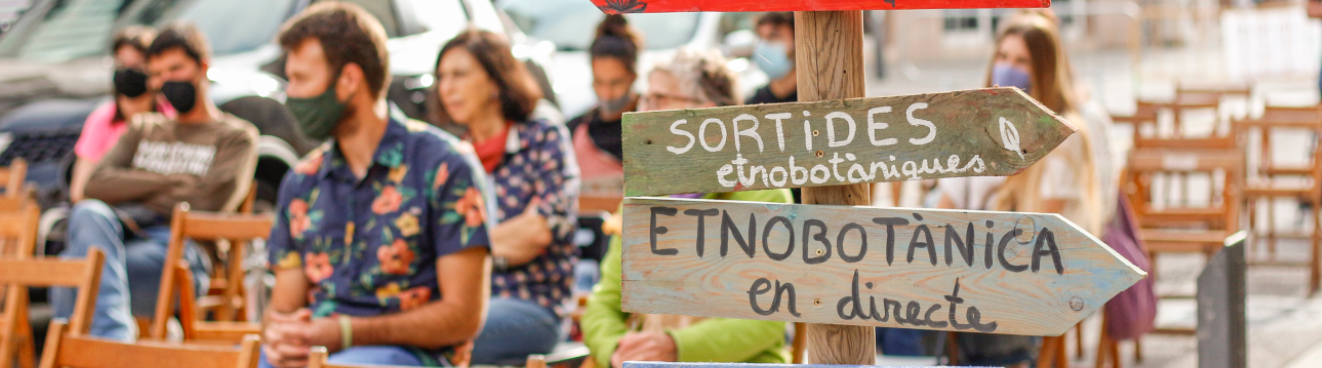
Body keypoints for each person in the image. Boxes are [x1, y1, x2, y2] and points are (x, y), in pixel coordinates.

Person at [260, 3, 494, 367]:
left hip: (412, 356)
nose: (291, 94)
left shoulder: (445, 167)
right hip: (318, 353)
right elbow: (283, 310)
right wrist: (278, 338)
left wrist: (349, 334)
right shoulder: (301, 182)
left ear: (350, 80)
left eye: (302, 79)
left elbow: (464, 316)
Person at [582, 49, 792, 368]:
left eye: (658, 99)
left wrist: (675, 348)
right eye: (645, 99)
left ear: (706, 111)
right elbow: (604, 302)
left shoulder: (761, 195)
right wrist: (615, 349)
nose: (644, 111)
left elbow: (766, 320)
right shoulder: (642, 196)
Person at [51, 22, 259, 341]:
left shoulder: (235, 137)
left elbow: (207, 202)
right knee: (89, 212)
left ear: (202, 67)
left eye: (175, 69)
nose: (165, 81)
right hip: (125, 237)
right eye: (157, 74)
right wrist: (173, 182)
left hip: (183, 255)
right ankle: (114, 343)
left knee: (74, 270)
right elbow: (95, 185)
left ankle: (101, 352)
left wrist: (133, 188)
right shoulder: (143, 128)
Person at [937, 11, 1102, 368]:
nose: (1008, 67)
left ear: (1043, 69)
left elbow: (1037, 235)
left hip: (1026, 280)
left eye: (1021, 61)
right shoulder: (975, 124)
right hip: (968, 270)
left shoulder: (1064, 135)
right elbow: (944, 208)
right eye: (1003, 56)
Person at [434, 28, 580, 364]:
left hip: (533, 307)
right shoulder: (450, 155)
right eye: (442, 77)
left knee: (438, 336)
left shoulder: (543, 137)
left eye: (460, 74)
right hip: (460, 301)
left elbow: (538, 231)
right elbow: (433, 246)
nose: (447, 87)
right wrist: (496, 246)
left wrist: (461, 255)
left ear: (496, 81)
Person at [70, 26, 177, 203]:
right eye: (122, 64)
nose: (128, 71)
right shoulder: (103, 120)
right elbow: (80, 191)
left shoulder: (171, 118)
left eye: (137, 65)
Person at [565, 15, 639, 202]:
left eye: (615, 83)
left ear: (633, 77)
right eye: (599, 82)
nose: (606, 94)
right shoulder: (575, 129)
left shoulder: (654, 127)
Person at [745, 12, 796, 106]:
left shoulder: (814, 96)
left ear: (795, 41)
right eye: (760, 37)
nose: (764, 45)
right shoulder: (754, 103)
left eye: (774, 36)